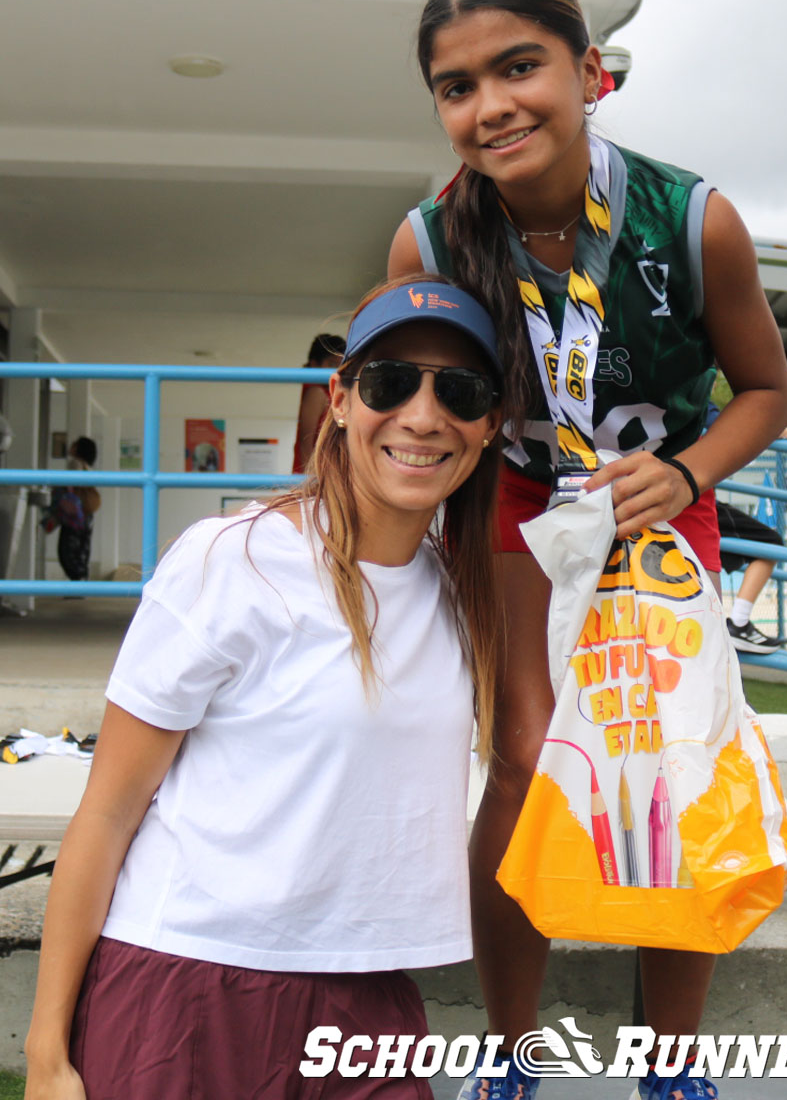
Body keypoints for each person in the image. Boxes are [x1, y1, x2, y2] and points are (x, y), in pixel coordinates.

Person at [388, 0, 787, 1100]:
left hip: (659, 507)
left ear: (591, 72)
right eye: (457, 85)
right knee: (523, 765)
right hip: (521, 510)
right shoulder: (429, 239)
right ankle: (512, 1052)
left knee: (675, 764)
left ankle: (674, 1062)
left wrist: (688, 470)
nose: (491, 105)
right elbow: (421, 414)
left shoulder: (695, 218)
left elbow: (769, 392)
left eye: (519, 67)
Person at [24, 276, 504, 1100]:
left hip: (368, 1001)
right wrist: (46, 1053)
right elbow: (107, 812)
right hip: (188, 986)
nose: (424, 417)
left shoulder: (468, 598)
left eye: (459, 393)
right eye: (391, 383)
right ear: (342, 399)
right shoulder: (231, 560)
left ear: (491, 427)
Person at [716, 426, 787, 654]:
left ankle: (735, 625)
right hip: (689, 502)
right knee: (770, 544)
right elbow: (739, 424)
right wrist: (781, 430)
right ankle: (738, 623)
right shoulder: (699, 405)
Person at [43, 437, 101, 584]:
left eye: (74, 444)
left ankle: (77, 582)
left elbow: (71, 482)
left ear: (78, 449)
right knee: (83, 550)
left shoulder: (75, 463)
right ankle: (81, 582)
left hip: (74, 514)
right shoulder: (87, 466)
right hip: (87, 514)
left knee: (67, 551)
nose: (71, 445)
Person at [292, 333, 348, 474]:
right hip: (316, 478)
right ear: (314, 364)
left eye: (341, 365)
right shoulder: (316, 392)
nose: (336, 370)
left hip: (327, 475)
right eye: (331, 364)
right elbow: (306, 442)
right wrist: (310, 483)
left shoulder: (333, 392)